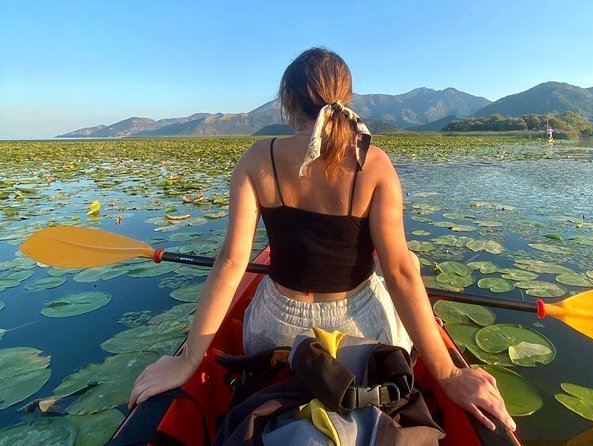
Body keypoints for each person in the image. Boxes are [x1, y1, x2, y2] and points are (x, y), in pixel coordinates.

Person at [129, 47, 516, 432]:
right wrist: (447, 375)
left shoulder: (256, 158)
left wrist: (186, 361)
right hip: (359, 328)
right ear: (344, 100)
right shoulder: (375, 163)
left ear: (289, 101)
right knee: (408, 263)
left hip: (275, 329)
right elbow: (398, 271)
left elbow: (231, 264)